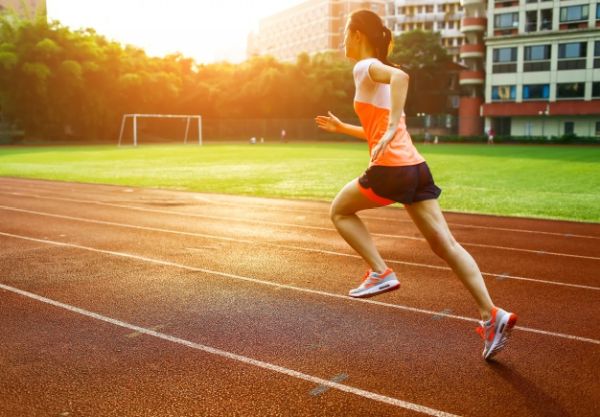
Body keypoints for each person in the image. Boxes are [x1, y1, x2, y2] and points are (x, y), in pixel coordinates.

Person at [314, 9, 517, 361]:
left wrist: (391, 126)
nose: (343, 40)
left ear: (359, 34)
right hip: (416, 168)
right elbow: (377, 127)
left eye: (346, 33)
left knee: (340, 211)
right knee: (447, 245)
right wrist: (345, 128)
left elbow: (401, 77)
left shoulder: (365, 67)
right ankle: (492, 314)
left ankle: (380, 272)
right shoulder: (370, 75)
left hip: (391, 169)